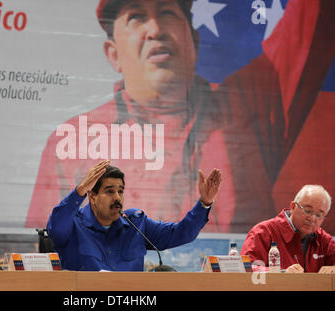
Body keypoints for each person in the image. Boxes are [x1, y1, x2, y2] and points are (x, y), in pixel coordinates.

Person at [26, 0, 335, 233]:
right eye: (136, 17)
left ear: (195, 42)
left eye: (168, 13)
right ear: (113, 54)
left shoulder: (248, 104)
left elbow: (310, 21)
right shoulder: (74, 140)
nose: (156, 30)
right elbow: (47, 244)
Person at [47, 160, 221, 271]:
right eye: (109, 191)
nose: (117, 197)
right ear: (92, 196)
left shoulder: (136, 223)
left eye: (120, 191)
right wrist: (80, 191)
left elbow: (181, 233)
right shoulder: (73, 226)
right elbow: (55, 227)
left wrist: (204, 203)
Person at [241, 185, 335, 273]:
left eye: (319, 215)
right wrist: (281, 273)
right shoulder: (263, 232)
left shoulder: (324, 240)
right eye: (308, 211)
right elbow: (245, 268)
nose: (312, 218)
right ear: (293, 207)